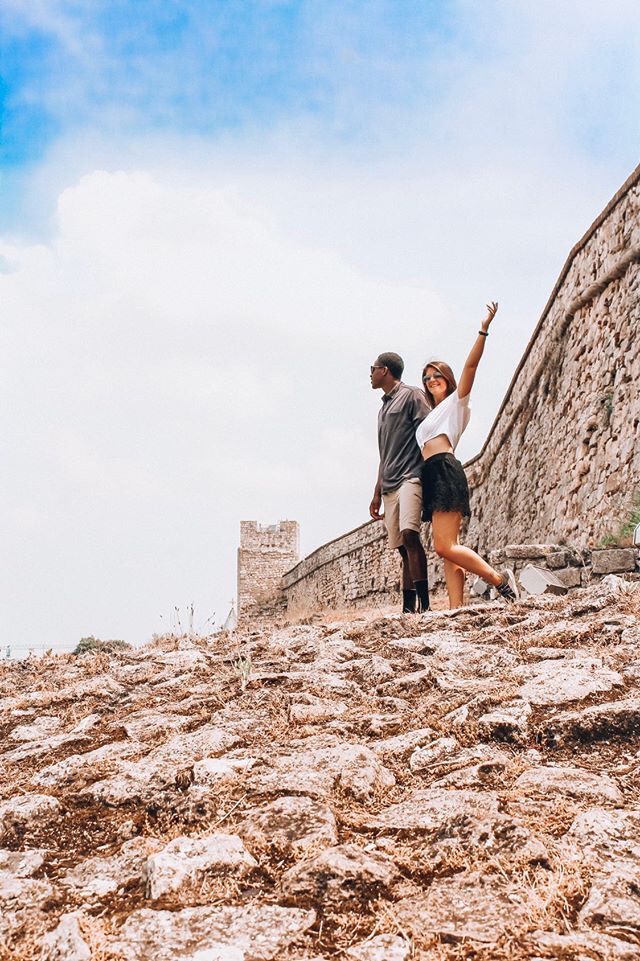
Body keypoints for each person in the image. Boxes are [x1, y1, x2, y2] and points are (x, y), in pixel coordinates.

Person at [415, 302, 519, 607]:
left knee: (444, 546)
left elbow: (471, 367)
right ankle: (456, 609)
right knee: (450, 549)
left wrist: (483, 330)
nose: (431, 380)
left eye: (436, 375)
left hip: (445, 469)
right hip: (431, 475)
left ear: (447, 378)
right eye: (426, 377)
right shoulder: (431, 415)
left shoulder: (456, 404)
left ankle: (499, 580)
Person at [370, 352, 431, 612]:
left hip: (411, 476)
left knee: (410, 535)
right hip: (389, 484)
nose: (370, 375)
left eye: (372, 369)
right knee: (402, 548)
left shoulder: (412, 395)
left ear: (384, 370)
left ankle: (425, 606)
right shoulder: (383, 409)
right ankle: (408, 609)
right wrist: (376, 492)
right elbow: (384, 455)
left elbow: (429, 432)